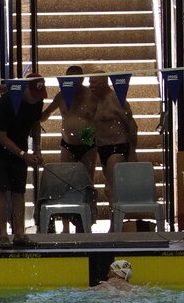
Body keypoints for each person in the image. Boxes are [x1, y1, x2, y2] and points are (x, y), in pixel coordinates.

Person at [0, 75, 46, 245]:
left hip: (20, 148)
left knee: (19, 191)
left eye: (39, 95)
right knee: (0, 190)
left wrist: (37, 150)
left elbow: (35, 125)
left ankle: (19, 233)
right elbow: (1, 137)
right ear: (25, 89)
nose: (36, 98)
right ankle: (3, 234)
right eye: (33, 94)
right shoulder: (6, 102)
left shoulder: (37, 101)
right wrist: (22, 154)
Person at [41, 63, 98, 179]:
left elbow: (102, 117)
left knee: (87, 180)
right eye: (70, 79)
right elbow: (46, 114)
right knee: (66, 179)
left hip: (88, 143)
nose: (73, 83)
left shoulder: (92, 96)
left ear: (82, 79)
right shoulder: (61, 96)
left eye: (76, 80)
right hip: (68, 143)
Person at [91, 71, 138, 207]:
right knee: (112, 188)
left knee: (110, 188)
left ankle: (115, 224)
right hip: (103, 149)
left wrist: (132, 151)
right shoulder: (96, 101)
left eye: (94, 82)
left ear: (103, 83)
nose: (90, 86)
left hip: (118, 148)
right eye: (89, 82)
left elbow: (132, 125)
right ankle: (117, 220)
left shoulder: (116, 99)